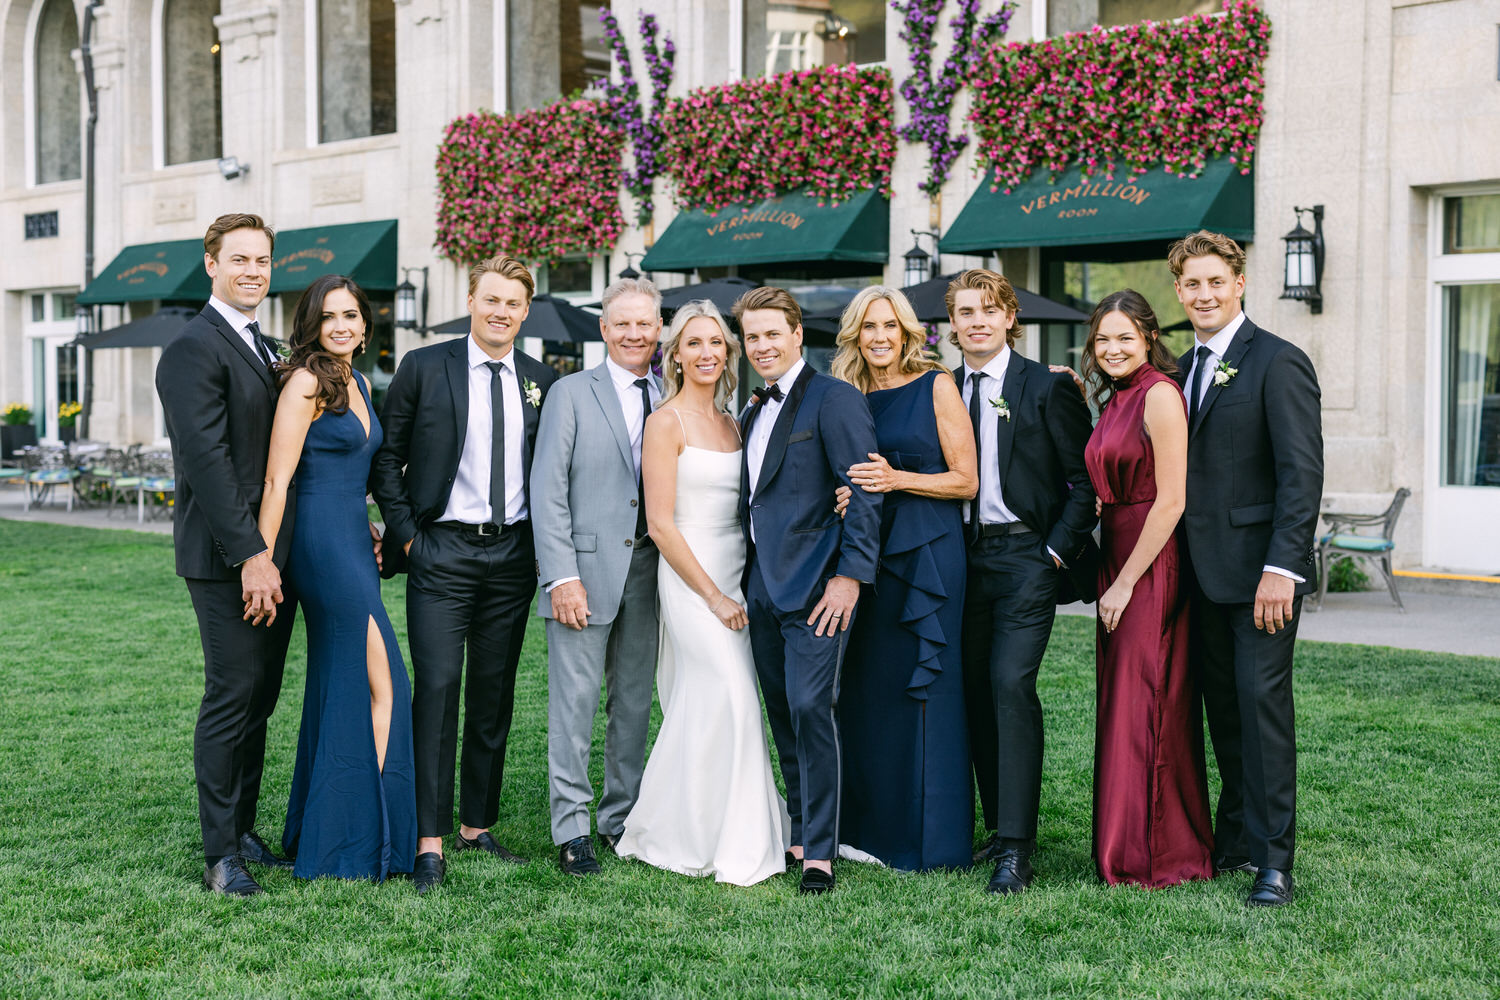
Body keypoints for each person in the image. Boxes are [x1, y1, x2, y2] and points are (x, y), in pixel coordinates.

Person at [370, 255, 557, 894]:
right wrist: (410, 541)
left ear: (525, 311)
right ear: (471, 301)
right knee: (440, 687)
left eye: (513, 303)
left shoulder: (543, 380)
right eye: (490, 299)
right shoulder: (425, 367)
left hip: (513, 557)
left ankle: (477, 823)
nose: (501, 311)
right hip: (440, 551)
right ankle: (429, 839)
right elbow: (386, 459)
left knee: (493, 693)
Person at [1168, 231, 1323, 907]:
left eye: (1214, 282)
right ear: (1178, 292)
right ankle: (1232, 841)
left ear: (1240, 283)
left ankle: (1273, 862)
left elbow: (1300, 473)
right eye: (1191, 285)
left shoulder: (1278, 362)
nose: (1204, 295)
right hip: (1194, 578)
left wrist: (1282, 568)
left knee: (1262, 715)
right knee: (1222, 713)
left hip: (1260, 578)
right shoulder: (1177, 370)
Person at [614, 301, 791, 886]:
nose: (708, 352)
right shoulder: (666, 422)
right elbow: (661, 525)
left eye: (717, 342)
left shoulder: (735, 421)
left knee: (710, 705)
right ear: (676, 355)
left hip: (739, 568)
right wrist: (714, 597)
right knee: (733, 695)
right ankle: (722, 838)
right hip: (692, 579)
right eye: (694, 343)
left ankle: (699, 824)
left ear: (729, 352)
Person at [157, 213, 299, 896]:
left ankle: (242, 827)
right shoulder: (193, 348)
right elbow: (207, 464)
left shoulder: (261, 344)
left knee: (261, 699)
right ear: (210, 264)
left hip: (276, 554)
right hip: (227, 560)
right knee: (231, 695)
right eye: (239, 259)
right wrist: (250, 556)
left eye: (263, 260)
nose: (253, 271)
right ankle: (220, 857)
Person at [256, 275, 416, 882]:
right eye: (330, 317)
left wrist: (374, 526)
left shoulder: (359, 380)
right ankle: (361, 839)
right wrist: (264, 562)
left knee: (345, 679)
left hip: (352, 535)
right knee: (385, 680)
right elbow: (278, 481)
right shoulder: (304, 382)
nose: (343, 326)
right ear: (312, 325)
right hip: (319, 545)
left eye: (352, 315)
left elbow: (361, 470)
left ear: (366, 324)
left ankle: (330, 831)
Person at [949, 269, 1099, 895]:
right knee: (976, 694)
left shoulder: (1044, 386)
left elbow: (1086, 481)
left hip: (1026, 561)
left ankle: (1018, 846)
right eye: (965, 312)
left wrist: (1055, 554)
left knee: (1011, 686)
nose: (977, 321)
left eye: (989, 309)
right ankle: (996, 825)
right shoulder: (942, 388)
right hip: (961, 562)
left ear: (1010, 317)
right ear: (951, 325)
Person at [736, 285, 882, 895]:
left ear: (798, 335)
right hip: (759, 590)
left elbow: (866, 490)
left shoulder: (834, 398)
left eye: (773, 333)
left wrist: (850, 577)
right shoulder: (748, 409)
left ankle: (820, 850)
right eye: (752, 337)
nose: (763, 345)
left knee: (809, 709)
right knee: (780, 712)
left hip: (821, 585)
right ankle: (798, 829)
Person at [830, 286, 977, 872]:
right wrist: (844, 494)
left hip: (931, 557)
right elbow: (842, 472)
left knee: (927, 689)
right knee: (869, 689)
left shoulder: (936, 385)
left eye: (890, 326)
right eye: (869, 328)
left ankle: (930, 841)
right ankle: (866, 832)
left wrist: (897, 481)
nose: (880, 337)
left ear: (909, 331)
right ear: (855, 336)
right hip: (869, 556)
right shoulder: (845, 395)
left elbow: (965, 481)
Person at [1081, 289, 1213, 888]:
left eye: (1124, 338)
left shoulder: (1160, 394)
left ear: (1149, 338)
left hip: (1148, 564)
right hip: (1117, 557)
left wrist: (1126, 582)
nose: (1112, 348)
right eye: (1103, 339)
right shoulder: (1116, 397)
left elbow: (1175, 500)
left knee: (1148, 702)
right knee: (1123, 703)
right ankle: (1121, 846)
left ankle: (1157, 855)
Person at [532, 277, 664, 877]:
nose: (635, 333)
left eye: (646, 323)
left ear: (658, 329)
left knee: (634, 703)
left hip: (651, 571)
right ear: (605, 330)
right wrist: (561, 575)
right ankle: (572, 828)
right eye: (623, 323)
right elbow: (547, 489)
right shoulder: (570, 392)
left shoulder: (669, 393)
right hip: (583, 570)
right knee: (576, 703)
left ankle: (619, 818)